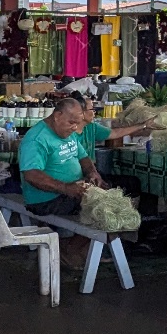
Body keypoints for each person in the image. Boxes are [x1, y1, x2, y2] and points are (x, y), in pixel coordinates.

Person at [19, 98, 100, 267]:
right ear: (57, 116)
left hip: (69, 190)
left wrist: (92, 173)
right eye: (72, 122)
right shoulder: (37, 139)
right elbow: (32, 175)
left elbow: (83, 156)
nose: (75, 128)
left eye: (78, 124)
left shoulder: (67, 133)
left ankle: (79, 249)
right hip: (45, 200)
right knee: (105, 209)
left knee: (120, 190)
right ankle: (69, 249)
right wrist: (66, 188)